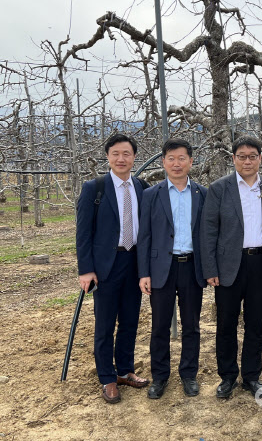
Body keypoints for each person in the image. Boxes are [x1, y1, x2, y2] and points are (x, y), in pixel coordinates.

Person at [200, 136, 262, 400]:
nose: (247, 161)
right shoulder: (219, 188)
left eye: (252, 156)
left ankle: (252, 377)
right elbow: (209, 230)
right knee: (226, 324)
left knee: (255, 323)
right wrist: (210, 267)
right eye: (242, 156)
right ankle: (227, 377)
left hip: (259, 264)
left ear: (260, 158)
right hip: (228, 265)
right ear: (234, 158)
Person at [75, 133, 150, 403]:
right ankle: (107, 377)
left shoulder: (142, 186)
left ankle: (126, 370)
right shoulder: (94, 188)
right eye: (116, 153)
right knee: (105, 324)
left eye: (126, 154)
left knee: (130, 320)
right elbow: (83, 233)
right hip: (106, 265)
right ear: (108, 156)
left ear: (133, 157)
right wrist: (86, 270)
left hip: (134, 262)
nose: (121, 159)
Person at [137, 139, 208, 399]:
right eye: (170, 158)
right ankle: (160, 376)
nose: (176, 163)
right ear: (163, 162)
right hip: (160, 269)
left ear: (191, 161)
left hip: (191, 267)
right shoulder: (151, 195)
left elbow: (208, 235)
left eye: (181, 158)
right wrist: (144, 272)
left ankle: (188, 374)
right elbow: (144, 236)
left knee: (191, 325)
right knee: (159, 326)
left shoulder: (202, 193)